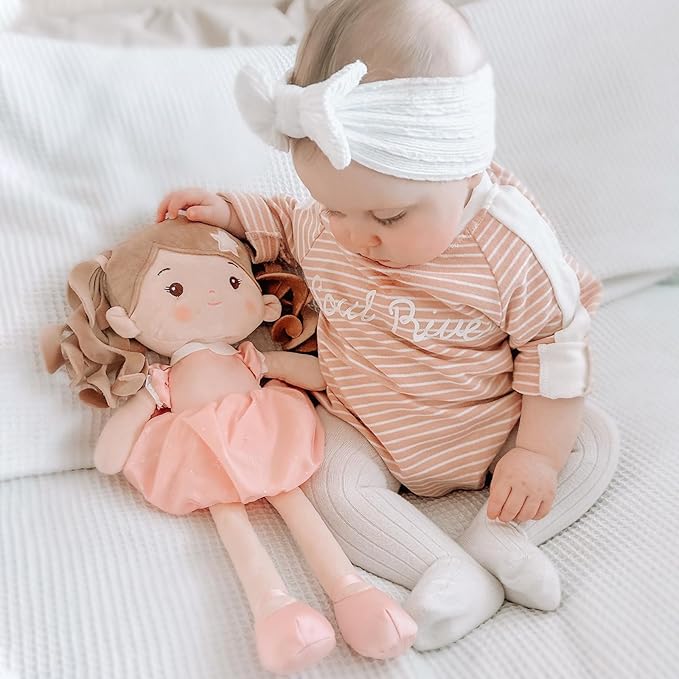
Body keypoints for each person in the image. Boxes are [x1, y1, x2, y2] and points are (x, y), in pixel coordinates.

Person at [156, 0, 619, 651]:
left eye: (388, 218)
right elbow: (288, 222)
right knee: (322, 479)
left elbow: (557, 351)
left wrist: (537, 455)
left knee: (590, 441)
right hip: (364, 421)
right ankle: (445, 568)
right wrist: (231, 212)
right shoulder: (334, 221)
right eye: (333, 208)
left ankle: (503, 533)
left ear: (464, 169)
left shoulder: (509, 248)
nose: (355, 236)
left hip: (494, 426)